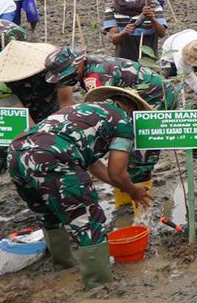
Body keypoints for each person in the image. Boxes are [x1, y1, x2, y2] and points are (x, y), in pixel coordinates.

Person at [8, 85, 152, 289]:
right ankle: (99, 286)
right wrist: (133, 190)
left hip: (16, 154)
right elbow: (117, 171)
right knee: (89, 223)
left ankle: (63, 268)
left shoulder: (83, 111)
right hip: (53, 157)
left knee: (49, 214)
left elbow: (93, 163)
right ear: (132, 110)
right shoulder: (122, 120)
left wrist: (122, 186)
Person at [44, 45, 177, 209]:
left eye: (69, 75)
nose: (67, 81)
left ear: (78, 63)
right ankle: (126, 200)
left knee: (141, 153)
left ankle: (142, 207)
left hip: (157, 97)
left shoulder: (97, 75)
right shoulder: (88, 69)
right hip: (133, 99)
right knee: (124, 153)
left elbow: (107, 114)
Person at [0, 40, 57, 236]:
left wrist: (55, 132)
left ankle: (57, 205)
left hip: (54, 117)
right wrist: (33, 143)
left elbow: (66, 101)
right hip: (19, 121)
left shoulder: (54, 67)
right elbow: (23, 120)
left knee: (56, 157)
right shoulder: (2, 81)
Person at [102, 0, 167, 61]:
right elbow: (113, 39)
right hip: (123, 60)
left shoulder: (153, 5)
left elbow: (162, 33)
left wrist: (152, 19)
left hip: (148, 57)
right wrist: (124, 33)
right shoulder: (112, 8)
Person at [158, 30, 197, 97]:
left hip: (190, 35)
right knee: (164, 75)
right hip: (171, 56)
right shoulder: (180, 56)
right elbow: (188, 75)